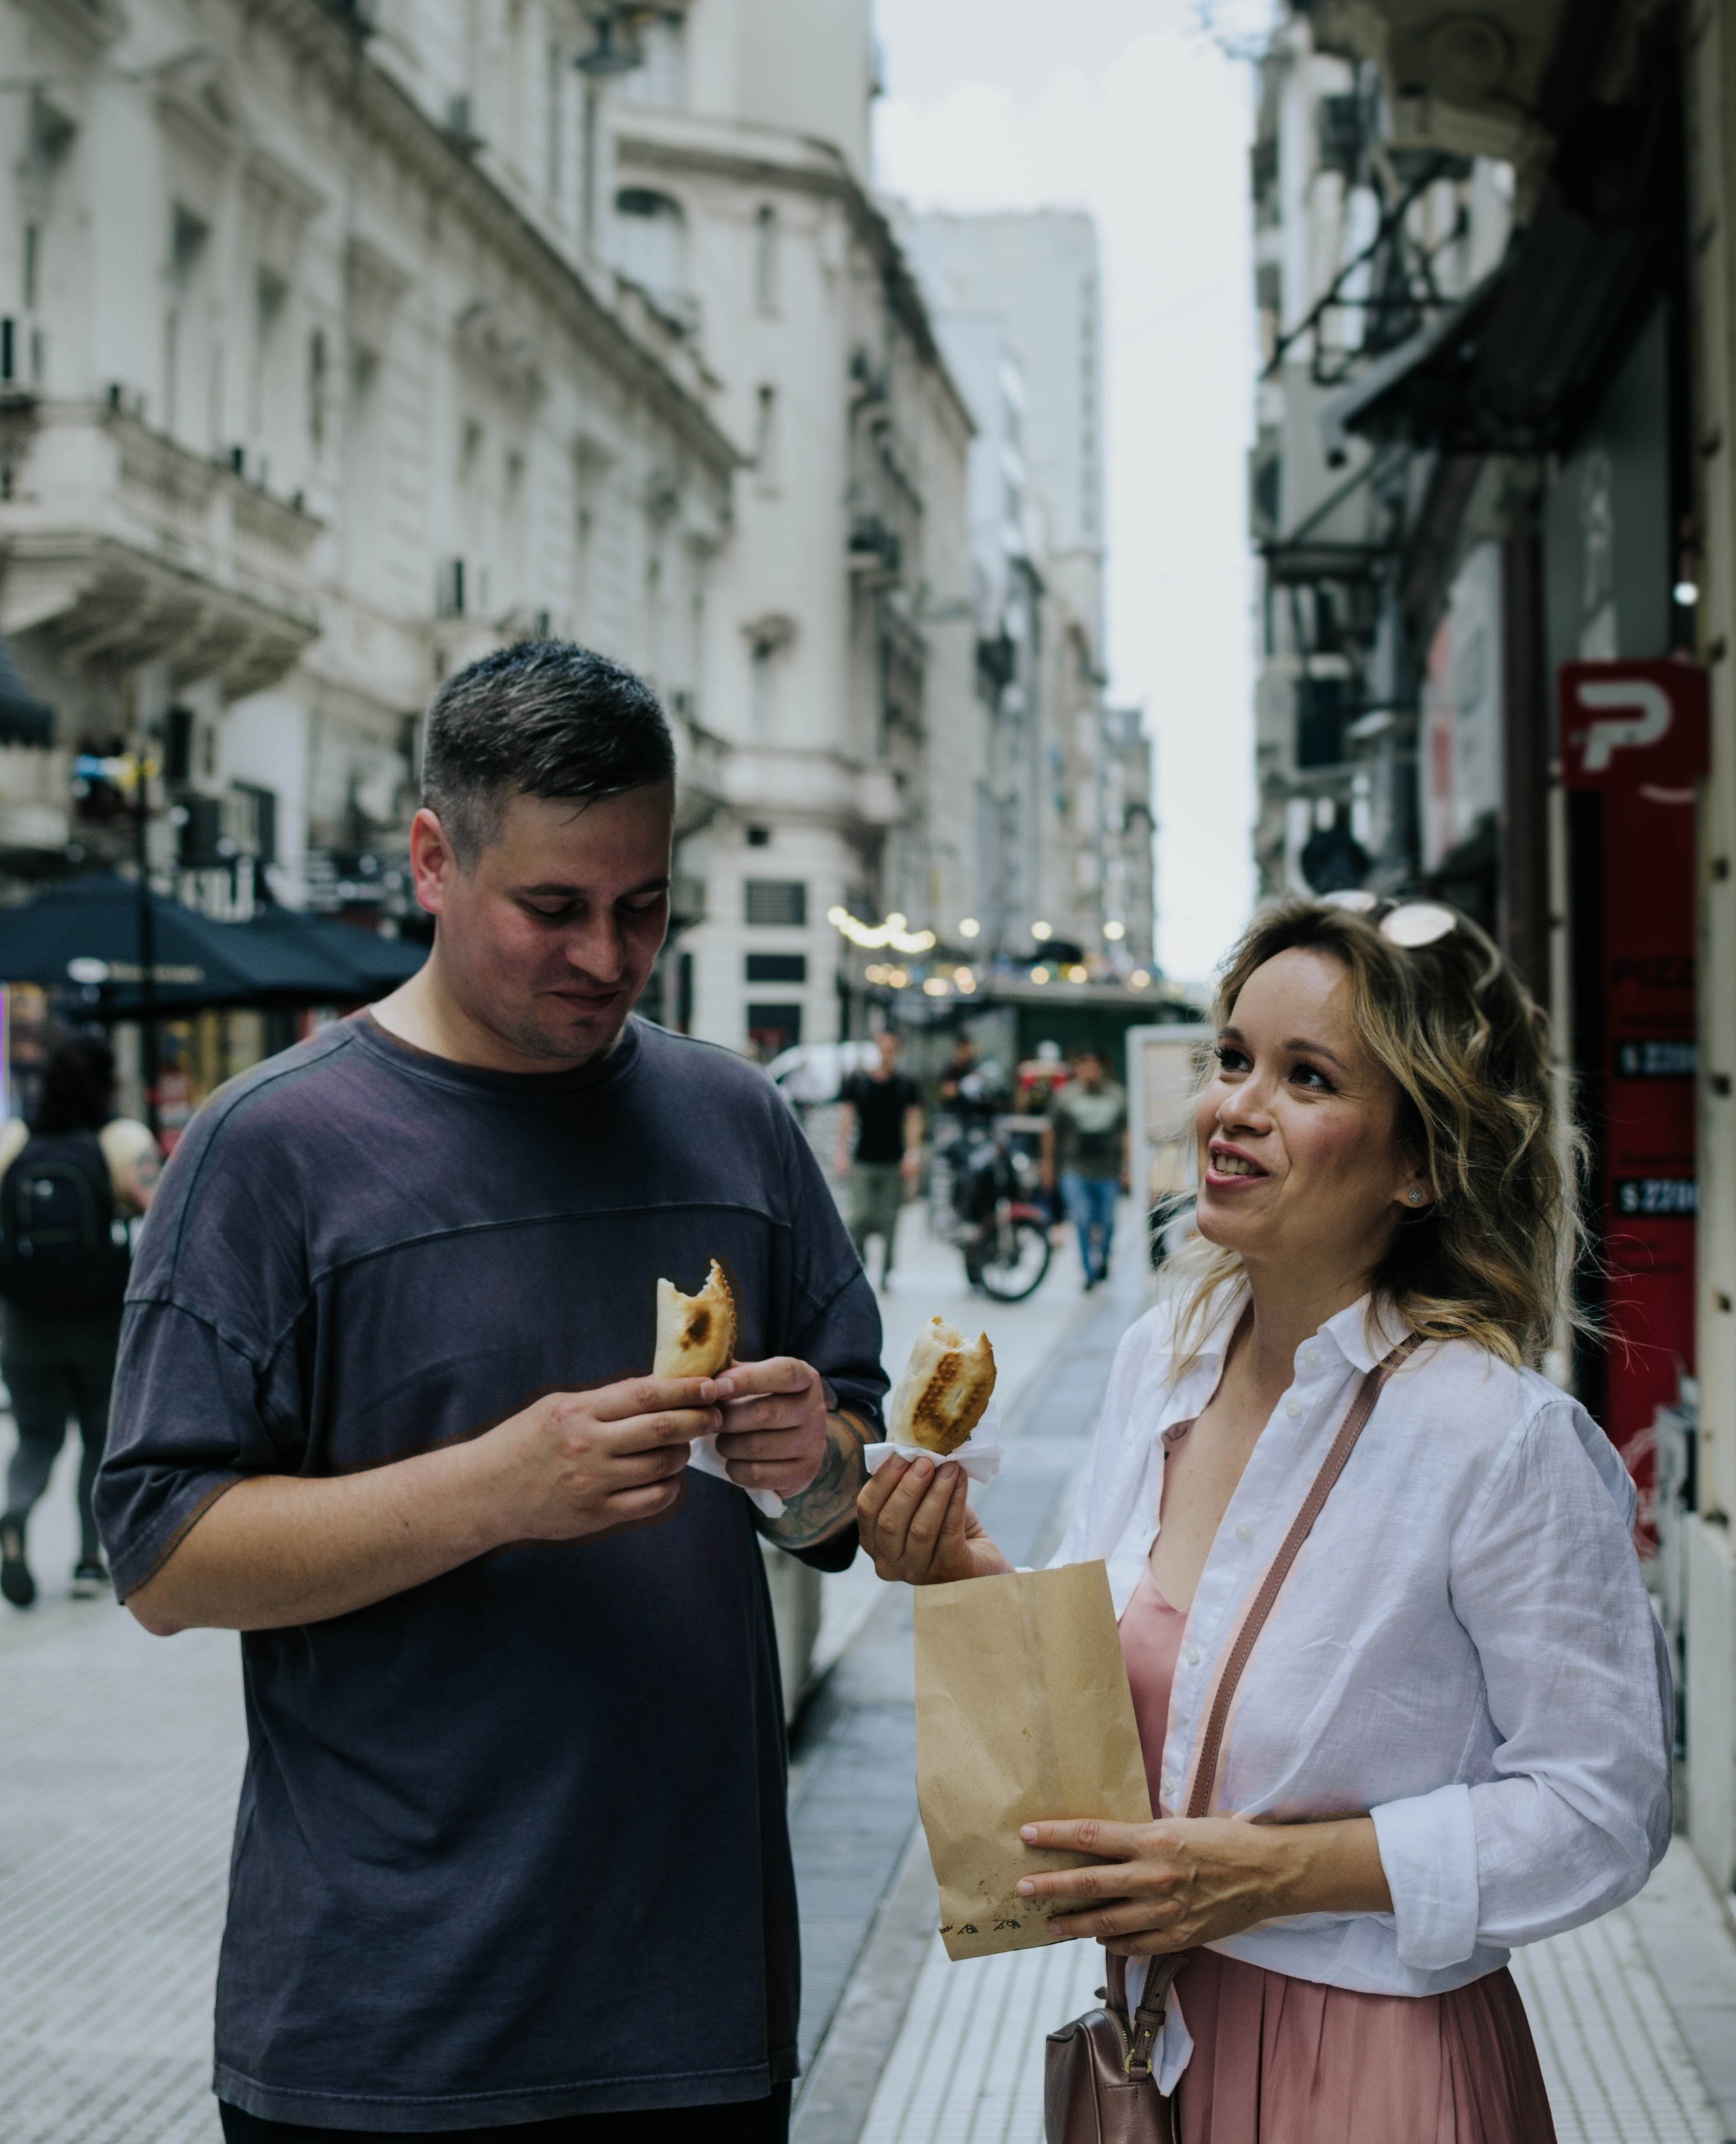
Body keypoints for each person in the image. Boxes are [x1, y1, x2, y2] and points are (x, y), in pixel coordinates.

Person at [95, 642, 886, 2144]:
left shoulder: (736, 1125)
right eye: (555, 910)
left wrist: (806, 1467)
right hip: (382, 2031)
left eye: (642, 906)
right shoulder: (271, 1151)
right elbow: (159, 1556)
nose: (606, 954)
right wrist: (496, 1491)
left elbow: (842, 1505)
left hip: (695, 2011)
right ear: (432, 859)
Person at [859, 893, 1672, 2143]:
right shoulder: (1159, 1363)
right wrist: (961, 1567)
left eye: (1308, 1077)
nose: (1235, 1107)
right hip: (1153, 2046)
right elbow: (1108, 1733)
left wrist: (1276, 1875)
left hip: (1376, 2074)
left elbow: (1605, 1810)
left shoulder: (1498, 1439)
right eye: (1233, 1058)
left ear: (1422, 1162)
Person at [0, 1028, 159, 1607]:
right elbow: (162, 1211)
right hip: (100, 1319)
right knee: (100, 1436)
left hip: (23, 1322)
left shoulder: (15, 1139)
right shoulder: (120, 1140)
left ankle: (15, 1516)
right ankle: (90, 1560)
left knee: (36, 1435)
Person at [832, 1028, 923, 1294]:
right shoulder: (859, 1081)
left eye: (892, 1047)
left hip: (892, 1160)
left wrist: (912, 1153)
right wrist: (842, 1152)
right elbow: (847, 1117)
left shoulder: (905, 1083)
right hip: (863, 1158)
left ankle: (886, 1272)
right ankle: (860, 1264)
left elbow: (913, 1119)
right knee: (859, 1217)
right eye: (883, 1046)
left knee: (890, 1220)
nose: (887, 1052)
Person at [1041, 1046, 1128, 1289]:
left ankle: (1104, 1259)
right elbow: (1051, 1132)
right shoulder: (1065, 1096)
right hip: (1074, 1168)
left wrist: (1127, 1167)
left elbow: (1125, 1132)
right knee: (1082, 1219)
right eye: (1084, 1065)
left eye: (1094, 1066)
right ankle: (1089, 1272)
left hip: (1107, 1170)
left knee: (1108, 1222)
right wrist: (1048, 1165)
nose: (1089, 1071)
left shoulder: (1117, 1095)